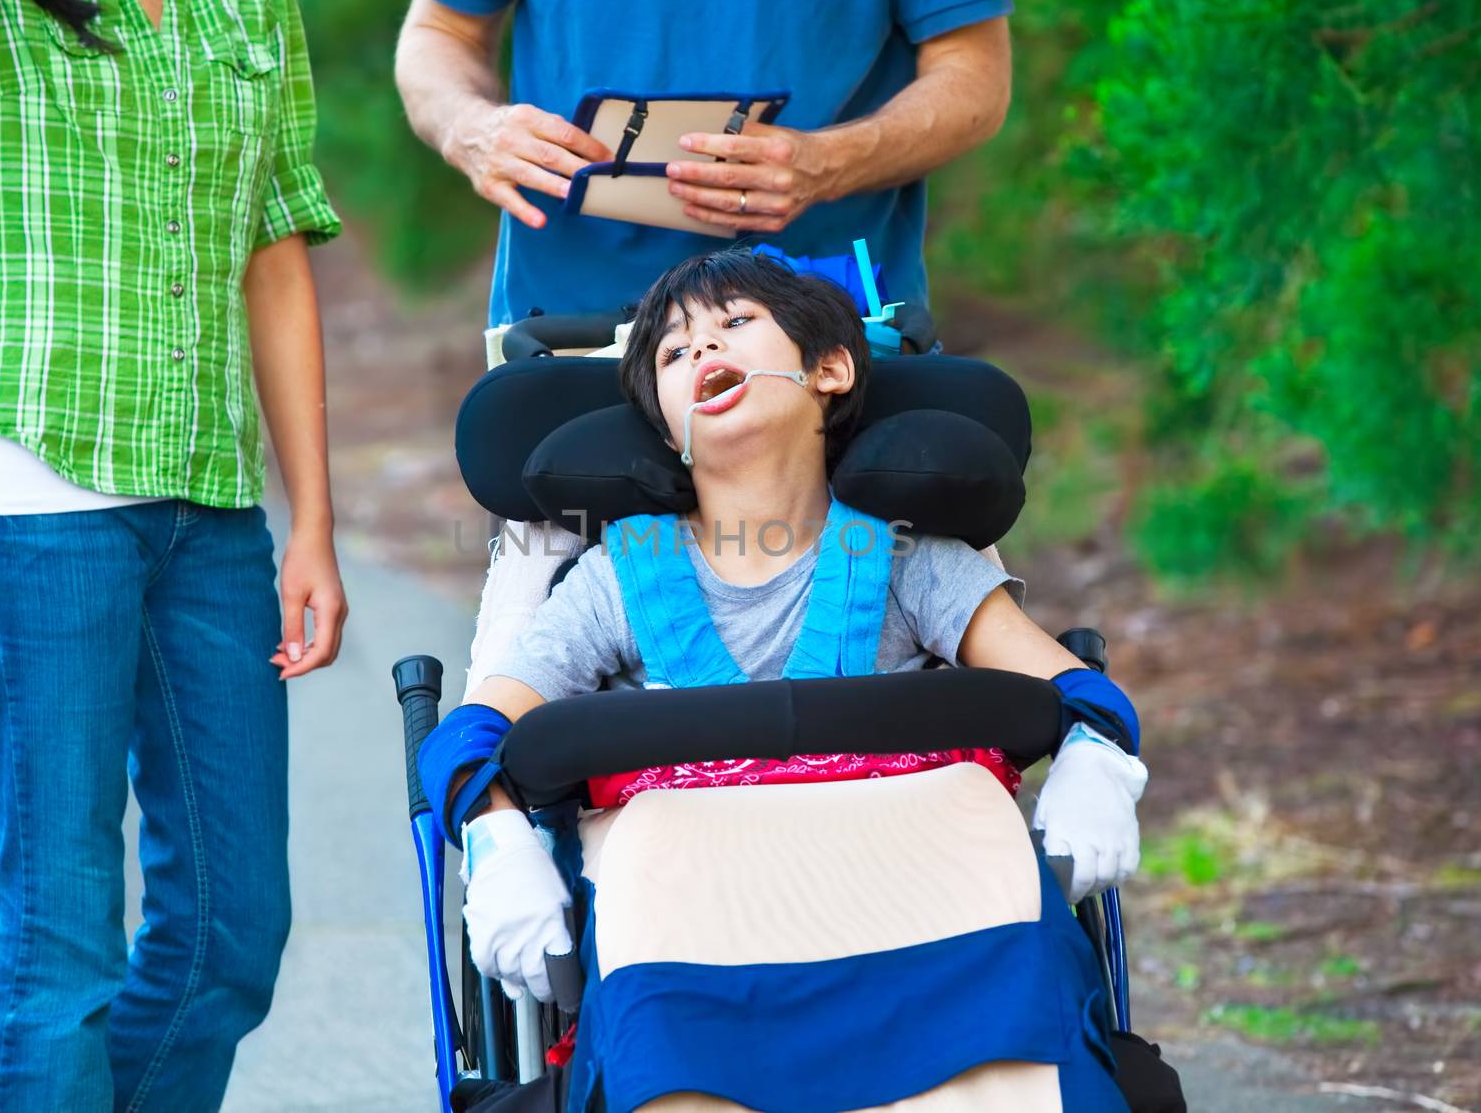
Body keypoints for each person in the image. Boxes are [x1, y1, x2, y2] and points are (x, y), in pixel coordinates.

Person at [419, 251, 1149, 1010]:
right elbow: (475, 731)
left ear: (829, 370)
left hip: (909, 911)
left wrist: (1096, 755)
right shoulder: (618, 581)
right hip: (696, 941)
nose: (702, 348)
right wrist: (497, 836)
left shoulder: (904, 557)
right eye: (675, 350)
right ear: (668, 430)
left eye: (735, 322)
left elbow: (1074, 690)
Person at [0, 0, 345, 1108]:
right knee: (59, 939)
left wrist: (314, 523)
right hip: (29, 491)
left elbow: (274, 248)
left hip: (209, 503)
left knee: (234, 930)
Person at [395, 0, 1014, 326]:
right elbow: (441, 31)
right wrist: (471, 128)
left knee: (857, 551)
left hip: (833, 327)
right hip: (567, 332)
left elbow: (974, 74)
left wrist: (829, 163)